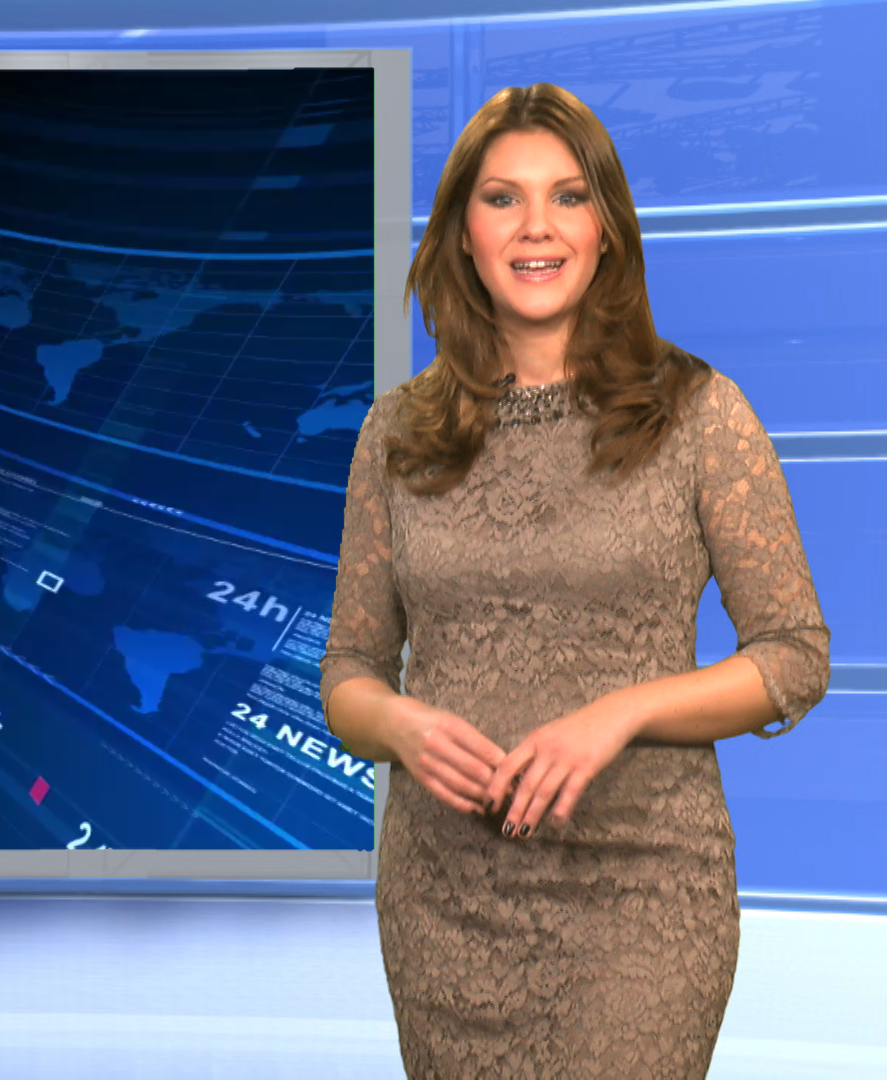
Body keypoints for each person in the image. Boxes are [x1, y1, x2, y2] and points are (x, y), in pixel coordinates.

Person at [318, 83, 830, 1078]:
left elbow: (793, 656)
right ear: (462, 233)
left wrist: (621, 714)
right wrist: (400, 725)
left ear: (607, 229)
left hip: (641, 891)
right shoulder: (395, 434)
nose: (536, 227)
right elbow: (348, 670)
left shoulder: (700, 414)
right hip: (443, 902)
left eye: (568, 196)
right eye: (502, 198)